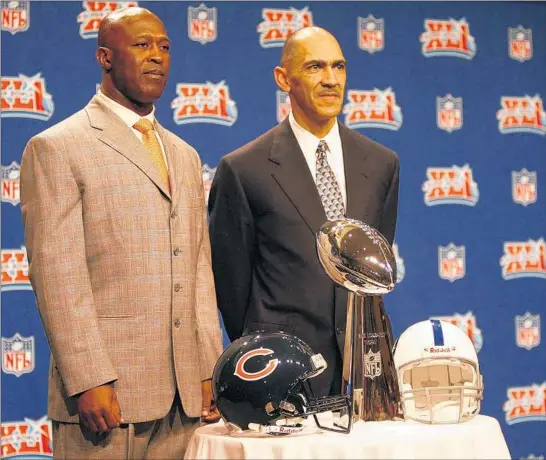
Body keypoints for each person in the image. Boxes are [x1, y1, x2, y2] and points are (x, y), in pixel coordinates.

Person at [20, 7, 223, 459]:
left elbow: (198, 272)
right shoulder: (58, 147)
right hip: (107, 400)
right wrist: (89, 377)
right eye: (142, 45)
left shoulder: (185, 155)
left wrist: (208, 368)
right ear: (105, 58)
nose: (157, 57)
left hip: (184, 401)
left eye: (165, 47)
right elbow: (57, 278)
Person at [208, 26, 400, 398]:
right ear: (284, 78)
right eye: (315, 67)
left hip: (364, 370)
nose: (331, 80)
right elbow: (230, 287)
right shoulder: (245, 168)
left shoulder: (381, 164)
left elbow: (374, 267)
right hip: (282, 374)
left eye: (339, 67)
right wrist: (265, 352)